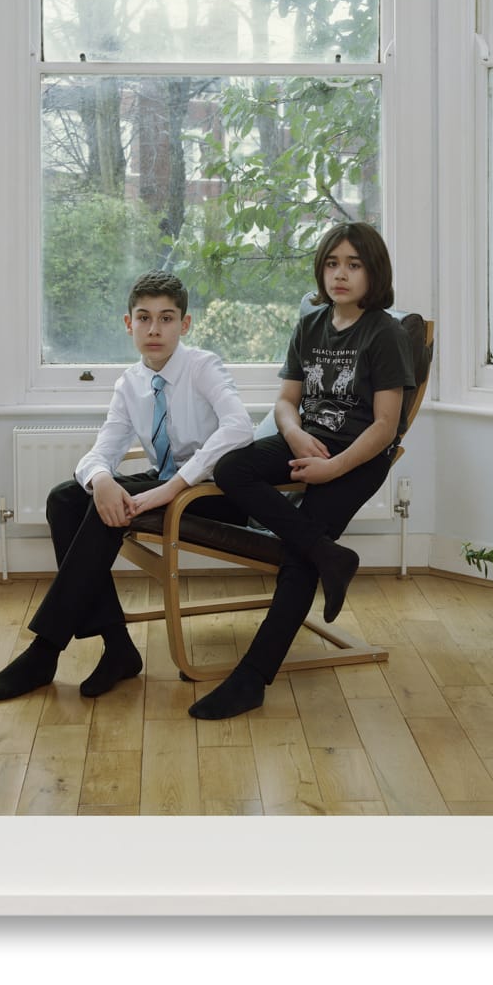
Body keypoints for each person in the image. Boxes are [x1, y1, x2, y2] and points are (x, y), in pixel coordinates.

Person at [0, 271, 254, 703]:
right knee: (67, 498)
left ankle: (45, 651)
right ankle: (117, 646)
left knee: (105, 514)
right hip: (165, 486)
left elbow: (240, 428)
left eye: (166, 318)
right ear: (129, 324)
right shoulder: (131, 383)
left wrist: (172, 487)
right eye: (144, 318)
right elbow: (100, 450)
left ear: (186, 324)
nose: (155, 329)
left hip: (213, 494)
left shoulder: (203, 367)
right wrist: (102, 479)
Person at [190, 222, 415, 721]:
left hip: (356, 456)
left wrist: (333, 468)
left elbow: (386, 425)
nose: (341, 274)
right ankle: (330, 556)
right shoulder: (310, 323)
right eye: (333, 263)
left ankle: (252, 678)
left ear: (373, 272)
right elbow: (287, 400)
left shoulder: (386, 332)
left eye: (354, 265)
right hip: (307, 440)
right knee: (230, 466)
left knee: (297, 559)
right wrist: (292, 434)